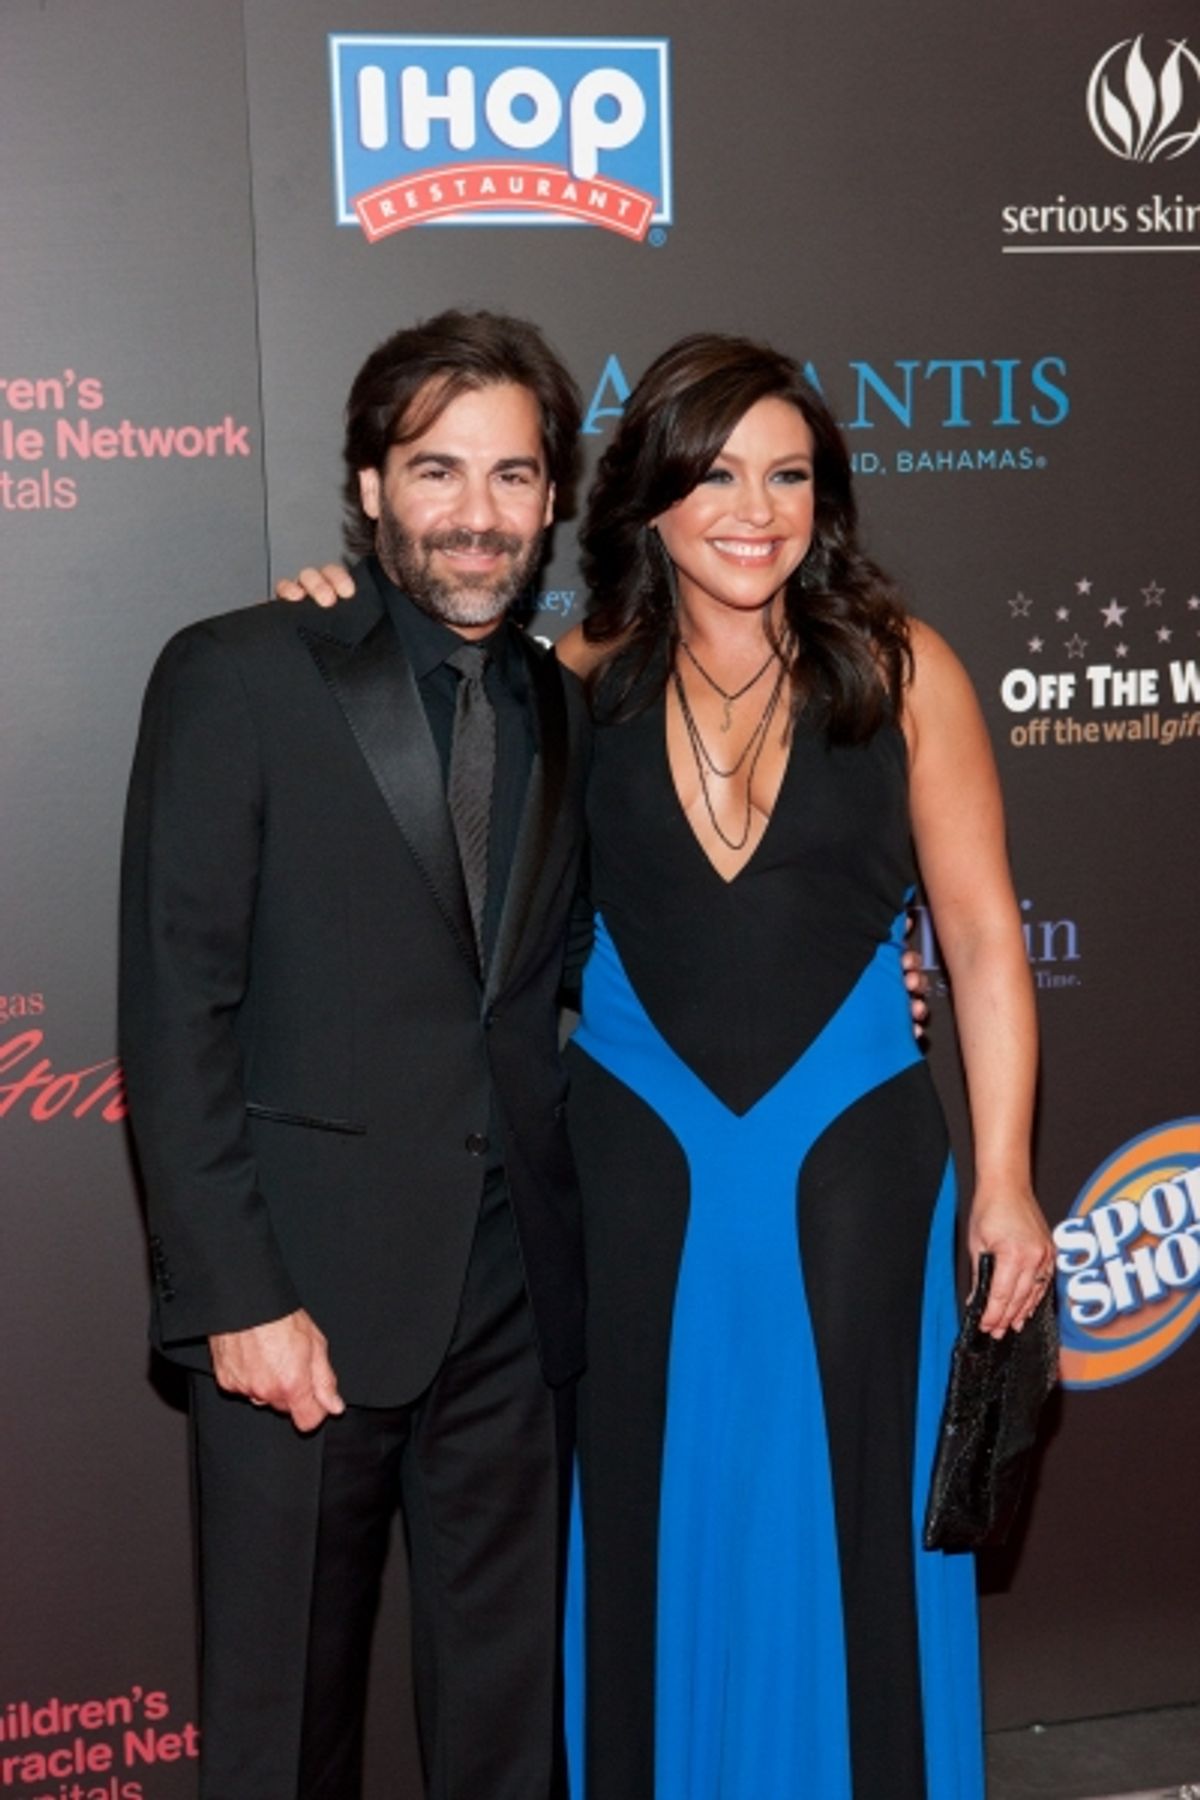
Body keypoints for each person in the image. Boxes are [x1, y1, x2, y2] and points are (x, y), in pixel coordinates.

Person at [275, 334, 986, 1800]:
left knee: (843, 1522)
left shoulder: (902, 671)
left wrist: (1017, 1189)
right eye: (717, 472)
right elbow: (441, 789)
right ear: (647, 499)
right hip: (638, 1175)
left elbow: (980, 941)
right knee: (660, 1522)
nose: (755, 506)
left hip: (855, 1168)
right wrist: (330, 609)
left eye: (789, 474)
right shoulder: (569, 685)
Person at [119, 309, 592, 1800]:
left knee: (511, 1721)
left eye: (514, 477)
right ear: (372, 485)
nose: (476, 515)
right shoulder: (239, 671)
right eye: (437, 470)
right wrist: (237, 1296)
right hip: (300, 1314)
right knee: (280, 1734)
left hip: (514, 1302)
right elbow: (173, 1007)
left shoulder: (565, 707)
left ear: (554, 502)